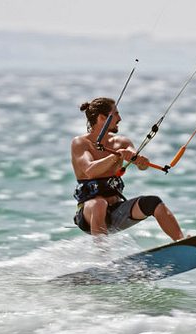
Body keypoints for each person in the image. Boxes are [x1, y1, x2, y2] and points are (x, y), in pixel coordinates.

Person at [71, 97, 185, 241]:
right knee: (99, 204)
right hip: (89, 214)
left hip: (116, 211)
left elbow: (138, 162)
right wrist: (115, 157)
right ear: (101, 118)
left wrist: (141, 161)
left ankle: (181, 241)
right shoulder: (81, 143)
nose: (120, 118)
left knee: (153, 202)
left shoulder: (122, 142)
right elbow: (90, 170)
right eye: (116, 114)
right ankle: (101, 258)